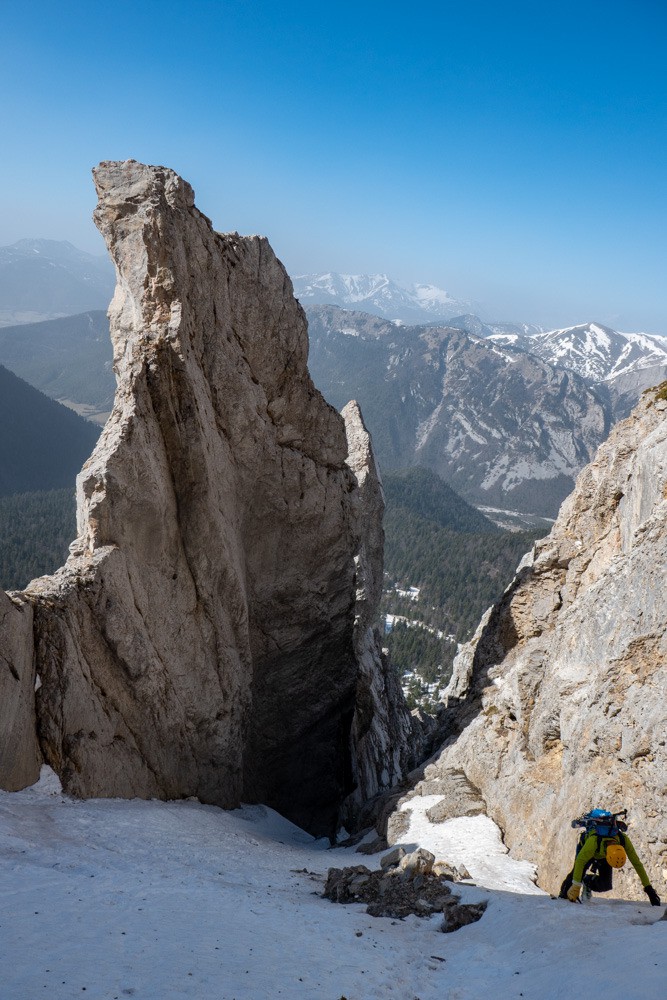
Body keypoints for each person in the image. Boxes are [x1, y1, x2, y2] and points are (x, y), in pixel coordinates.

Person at [559, 808, 661, 905]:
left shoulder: (623, 840)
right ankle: (562, 896)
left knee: (605, 885)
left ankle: (587, 881)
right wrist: (576, 885)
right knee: (575, 875)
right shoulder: (593, 842)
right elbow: (580, 861)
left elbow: (637, 863)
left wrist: (649, 889)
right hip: (589, 851)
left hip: (602, 854)